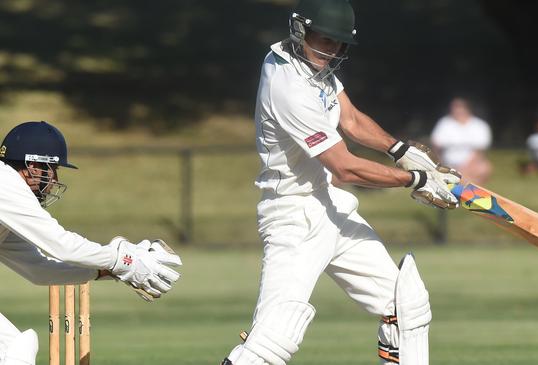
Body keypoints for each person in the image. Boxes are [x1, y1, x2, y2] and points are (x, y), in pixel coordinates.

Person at [219, 1, 462, 364]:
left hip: (330, 206)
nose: (329, 50)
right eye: (322, 40)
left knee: (405, 306)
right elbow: (345, 167)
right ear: (300, 30)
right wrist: (417, 179)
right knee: (274, 339)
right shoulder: (288, 86)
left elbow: (349, 119)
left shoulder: (315, 71)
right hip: (293, 215)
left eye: (336, 43)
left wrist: (400, 150)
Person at [0, 121, 182, 365]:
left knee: (13, 350)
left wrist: (107, 270)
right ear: (32, 165)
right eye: (51, 168)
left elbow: (39, 269)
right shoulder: (6, 185)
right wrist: (122, 259)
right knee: (14, 350)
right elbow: (61, 245)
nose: (54, 179)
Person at [430, 98, 492, 184]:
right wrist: (440, 163)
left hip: (472, 163)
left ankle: (462, 184)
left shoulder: (479, 125)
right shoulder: (444, 123)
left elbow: (479, 150)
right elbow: (437, 145)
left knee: (484, 168)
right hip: (448, 163)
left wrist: (466, 166)